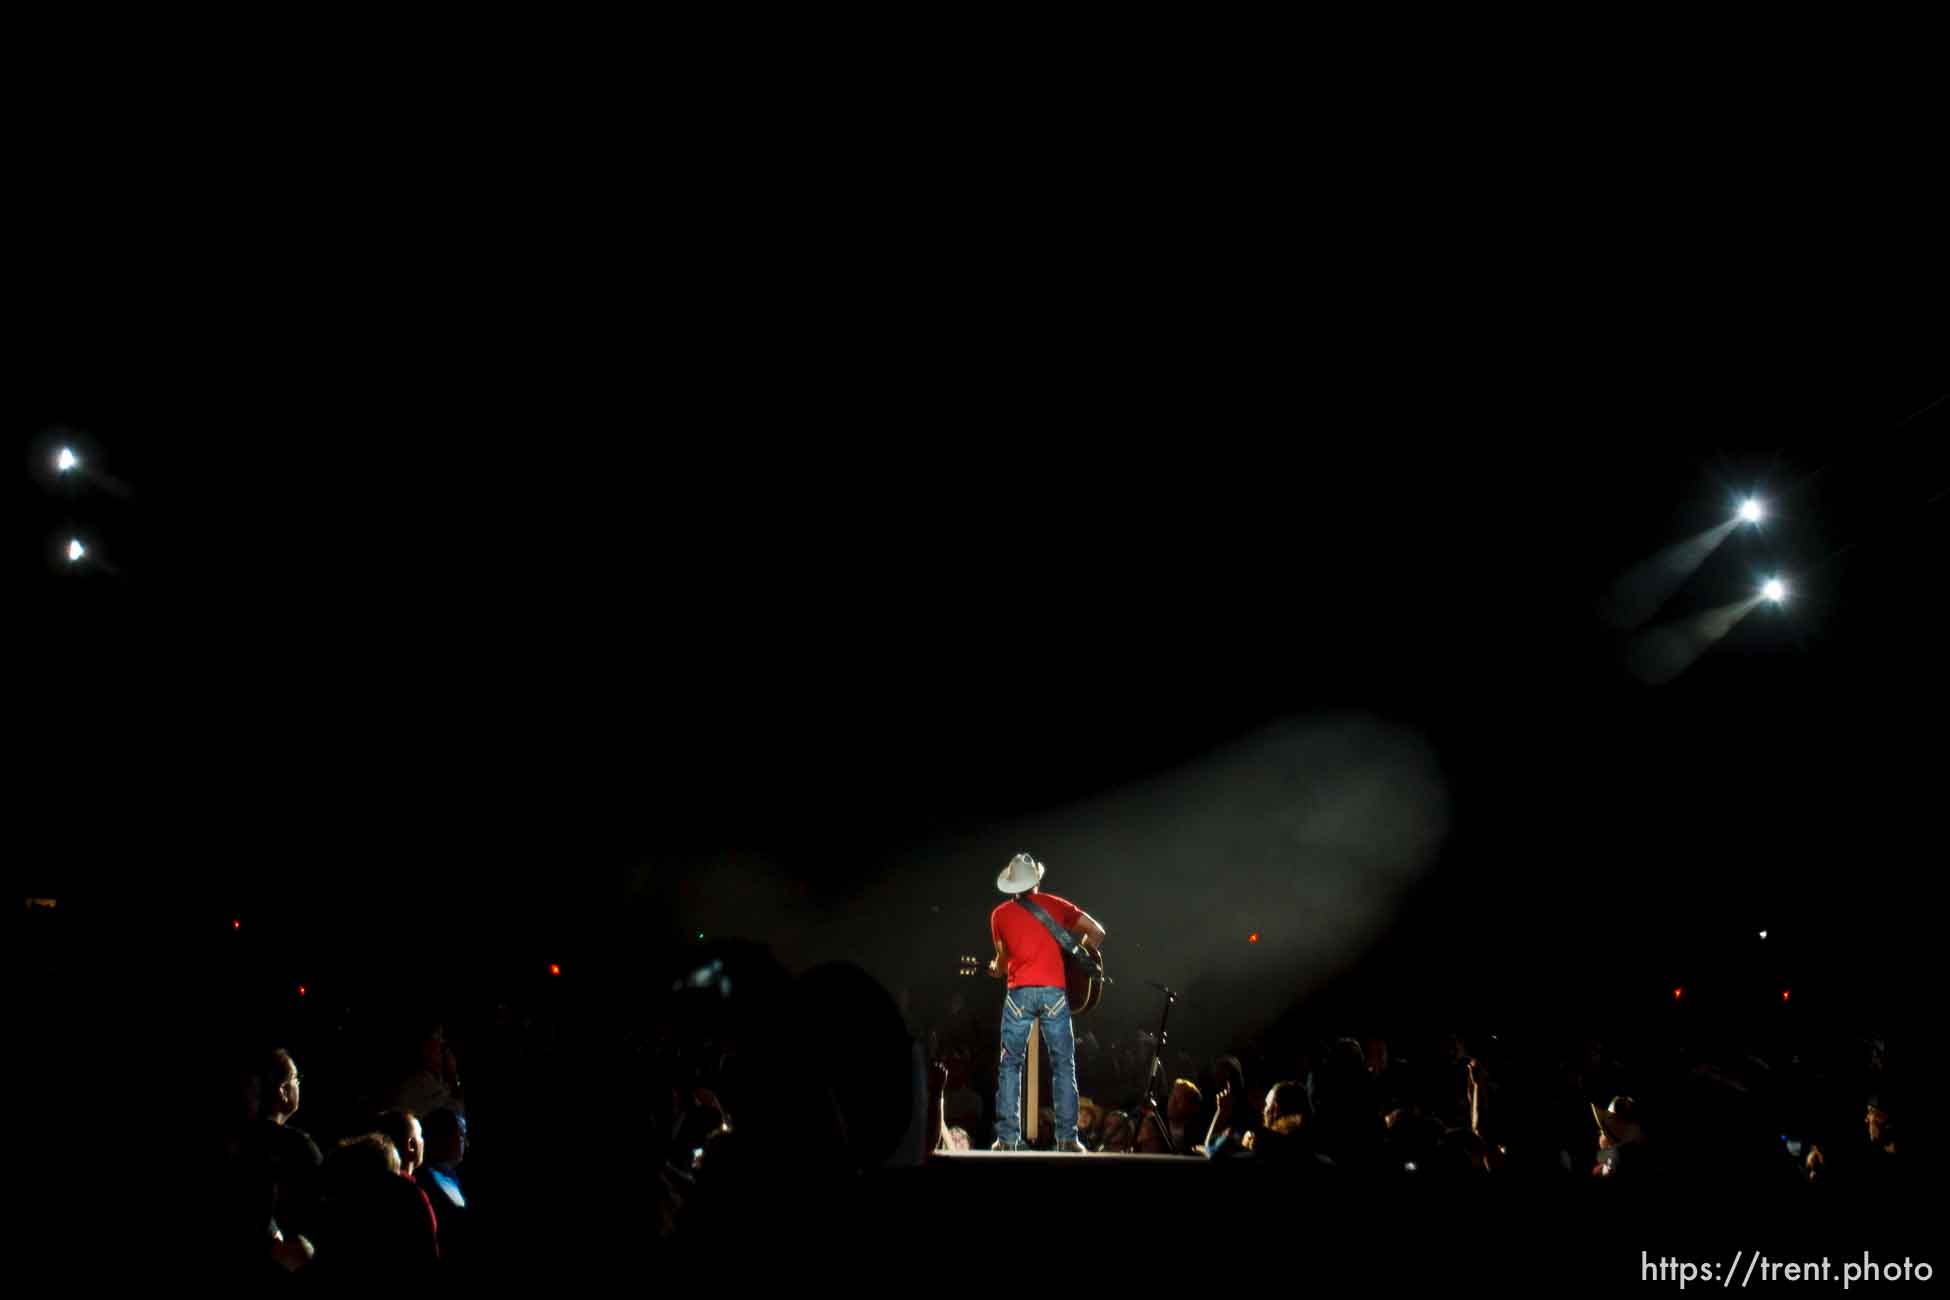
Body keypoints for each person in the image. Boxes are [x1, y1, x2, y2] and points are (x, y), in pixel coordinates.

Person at [987, 852, 1107, 1152]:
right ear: (1037, 880)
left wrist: (994, 969)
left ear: (1012, 884)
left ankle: (1007, 1140)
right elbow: (1097, 933)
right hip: (1054, 992)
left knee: (1010, 1065)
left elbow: (1002, 964)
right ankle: (1067, 1139)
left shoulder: (999, 915)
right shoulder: (1057, 905)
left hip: (1019, 993)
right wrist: (1075, 959)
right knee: (1063, 1064)